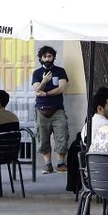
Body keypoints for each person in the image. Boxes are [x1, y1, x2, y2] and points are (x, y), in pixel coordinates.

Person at [31, 45, 69, 174]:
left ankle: (60, 163)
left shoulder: (60, 71)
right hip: (41, 110)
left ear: (53, 57)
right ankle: (48, 164)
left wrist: (46, 93)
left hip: (58, 109)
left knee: (62, 134)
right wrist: (44, 81)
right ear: (40, 58)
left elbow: (61, 88)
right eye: (45, 56)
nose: (47, 59)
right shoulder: (36, 73)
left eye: (50, 56)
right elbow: (36, 90)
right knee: (42, 137)